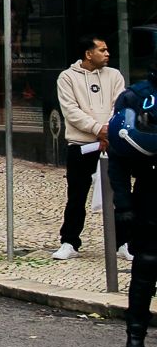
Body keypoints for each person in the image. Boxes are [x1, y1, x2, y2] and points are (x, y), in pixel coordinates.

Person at [54, 35, 126, 260]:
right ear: (88, 54)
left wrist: (109, 131)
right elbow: (71, 111)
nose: (107, 54)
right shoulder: (67, 78)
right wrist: (98, 129)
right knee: (76, 195)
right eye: (102, 50)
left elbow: (120, 104)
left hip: (111, 145)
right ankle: (69, 242)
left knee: (120, 195)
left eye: (107, 50)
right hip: (81, 145)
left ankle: (123, 243)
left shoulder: (114, 75)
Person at [108, 75, 157, 347]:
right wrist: (123, 204)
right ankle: (134, 343)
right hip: (151, 191)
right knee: (146, 268)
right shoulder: (136, 96)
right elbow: (118, 156)